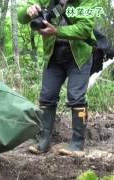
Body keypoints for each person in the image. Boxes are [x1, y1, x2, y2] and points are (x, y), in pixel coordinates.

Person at [18, 0, 96, 156]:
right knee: (47, 97)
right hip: (53, 54)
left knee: (76, 98)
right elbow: (21, 17)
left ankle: (77, 144)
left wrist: (57, 31)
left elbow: (85, 28)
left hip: (79, 56)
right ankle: (44, 140)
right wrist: (29, 10)